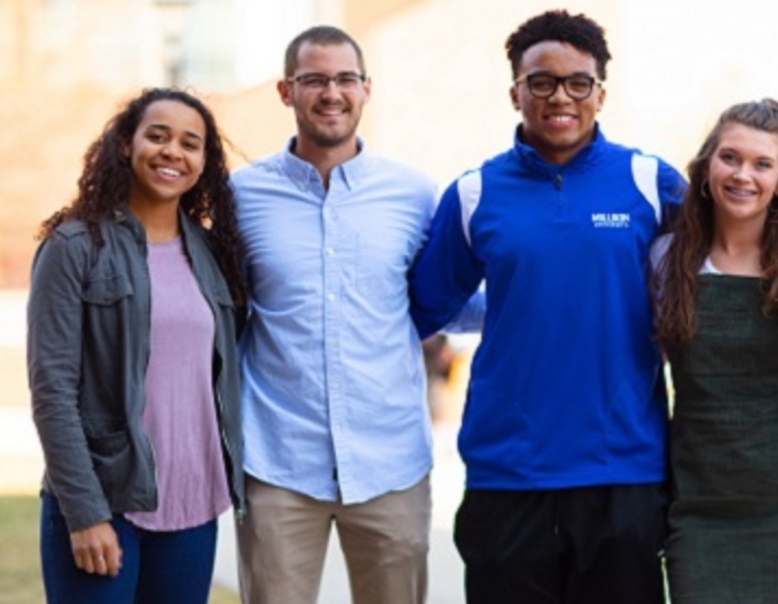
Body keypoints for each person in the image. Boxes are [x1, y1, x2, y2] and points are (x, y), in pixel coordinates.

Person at [409, 10, 686, 604]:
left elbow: (725, 265)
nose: (560, 96)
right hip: (507, 471)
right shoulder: (475, 193)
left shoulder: (649, 182)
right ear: (516, 92)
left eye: (577, 82)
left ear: (600, 94)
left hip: (624, 471)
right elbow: (424, 307)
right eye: (542, 82)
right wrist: (515, 309)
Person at [233, 24, 481, 604]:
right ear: (285, 91)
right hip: (278, 463)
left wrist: (542, 305)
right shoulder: (239, 194)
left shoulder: (416, 193)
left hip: (391, 464)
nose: (331, 93)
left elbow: (449, 301)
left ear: (367, 88)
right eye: (314, 79)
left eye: (345, 78)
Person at [27, 87, 246, 604]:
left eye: (191, 144)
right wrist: (84, 512)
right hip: (105, 501)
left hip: (193, 503)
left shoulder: (212, 253)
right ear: (126, 144)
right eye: (158, 136)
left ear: (203, 163)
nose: (173, 152)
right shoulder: (75, 246)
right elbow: (52, 391)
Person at [651, 99, 778, 604]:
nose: (743, 174)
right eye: (730, 157)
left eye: (762, 164)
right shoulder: (667, 258)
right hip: (703, 507)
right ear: (706, 167)